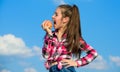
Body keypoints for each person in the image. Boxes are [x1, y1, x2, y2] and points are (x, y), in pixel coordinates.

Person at [41, 4, 98, 72]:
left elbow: (93, 53)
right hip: (52, 69)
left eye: (56, 14)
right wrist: (48, 33)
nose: (52, 16)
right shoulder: (51, 36)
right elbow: (46, 55)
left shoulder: (72, 37)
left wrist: (76, 63)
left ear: (65, 19)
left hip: (64, 69)